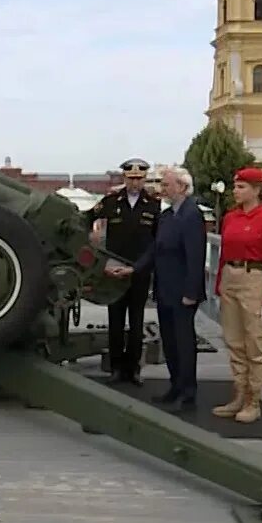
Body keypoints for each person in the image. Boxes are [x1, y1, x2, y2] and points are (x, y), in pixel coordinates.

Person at [109, 167, 207, 407]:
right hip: (164, 290)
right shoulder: (167, 216)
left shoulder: (191, 215)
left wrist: (191, 293)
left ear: (182, 187)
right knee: (170, 342)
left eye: (166, 185)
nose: (161, 189)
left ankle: (188, 392)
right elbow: (154, 249)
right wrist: (134, 268)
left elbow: (196, 257)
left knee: (184, 343)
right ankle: (175, 386)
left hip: (183, 292)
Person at [213, 166, 262, 423]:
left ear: (257, 191)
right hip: (231, 278)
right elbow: (223, 254)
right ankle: (239, 395)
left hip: (254, 278)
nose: (236, 191)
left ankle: (254, 401)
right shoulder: (230, 218)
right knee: (233, 341)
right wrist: (219, 285)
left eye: (241, 187)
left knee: (254, 343)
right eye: (235, 186)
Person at [84, 158, 162, 383]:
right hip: (114, 271)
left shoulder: (153, 205)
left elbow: (157, 242)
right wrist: (94, 245)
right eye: (131, 178)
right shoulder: (110, 202)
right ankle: (117, 367)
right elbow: (86, 219)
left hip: (138, 271)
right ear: (124, 178)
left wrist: (142, 267)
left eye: (139, 178)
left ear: (145, 178)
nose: (135, 183)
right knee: (115, 321)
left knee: (136, 322)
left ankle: (134, 368)